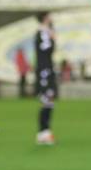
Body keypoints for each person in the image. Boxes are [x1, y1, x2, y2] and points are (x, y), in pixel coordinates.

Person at [34, 12, 58, 145]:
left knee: (50, 101)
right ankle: (43, 133)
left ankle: (45, 132)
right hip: (44, 70)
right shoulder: (42, 33)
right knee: (46, 100)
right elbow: (46, 49)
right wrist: (53, 38)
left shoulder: (46, 31)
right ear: (45, 18)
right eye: (49, 16)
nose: (51, 18)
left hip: (48, 69)